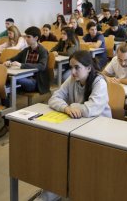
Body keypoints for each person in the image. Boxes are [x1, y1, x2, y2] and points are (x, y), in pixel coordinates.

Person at [35, 50, 111, 201]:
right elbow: (54, 98)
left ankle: (74, 190)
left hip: (100, 131)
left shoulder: (99, 82)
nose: (73, 71)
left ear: (89, 68)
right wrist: (66, 108)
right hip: (76, 126)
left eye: (77, 67)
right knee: (60, 156)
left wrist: (73, 105)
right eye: (71, 67)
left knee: (78, 161)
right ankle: (54, 190)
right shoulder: (72, 79)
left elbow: (90, 109)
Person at [0, 26, 50, 138]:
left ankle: (9, 119)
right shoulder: (26, 50)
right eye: (25, 36)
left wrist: (22, 65)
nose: (26, 39)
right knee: (6, 86)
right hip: (23, 80)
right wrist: (8, 61)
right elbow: (14, 57)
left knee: (12, 81)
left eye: (28, 37)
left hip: (35, 82)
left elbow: (42, 66)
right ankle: (7, 122)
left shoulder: (43, 51)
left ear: (36, 38)